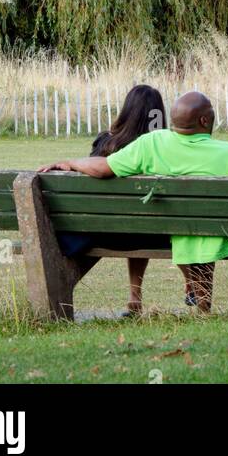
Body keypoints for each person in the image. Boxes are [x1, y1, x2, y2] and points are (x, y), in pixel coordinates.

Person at [41, 91, 228, 313]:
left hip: (164, 231)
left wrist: (70, 162)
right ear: (204, 120)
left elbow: (103, 168)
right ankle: (203, 307)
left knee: (191, 231)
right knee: (201, 232)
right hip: (215, 234)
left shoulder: (151, 143)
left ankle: (188, 304)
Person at [42, 83, 165, 316]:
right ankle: (135, 297)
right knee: (140, 219)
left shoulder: (106, 142)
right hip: (152, 232)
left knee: (131, 220)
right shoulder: (162, 147)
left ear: (127, 110)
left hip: (102, 231)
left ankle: (134, 299)